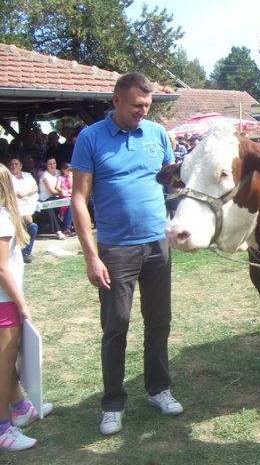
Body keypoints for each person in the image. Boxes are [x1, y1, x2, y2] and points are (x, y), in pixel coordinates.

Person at [71, 72, 183, 437]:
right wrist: (91, 256)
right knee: (116, 325)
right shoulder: (90, 138)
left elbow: (172, 182)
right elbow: (78, 199)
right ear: (116, 100)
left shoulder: (156, 134)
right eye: (137, 105)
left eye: (147, 106)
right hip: (115, 249)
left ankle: (158, 388)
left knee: (159, 321)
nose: (142, 112)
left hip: (156, 244)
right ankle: (113, 403)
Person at [0, 164, 53, 451]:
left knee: (6, 367)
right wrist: (22, 305)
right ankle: (2, 429)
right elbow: (1, 269)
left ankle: (20, 408)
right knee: (4, 367)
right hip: (4, 303)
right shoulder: (3, 220)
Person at [8, 157, 39, 263]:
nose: (13, 166)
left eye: (16, 164)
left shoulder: (27, 175)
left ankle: (26, 253)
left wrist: (27, 193)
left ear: (21, 166)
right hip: (16, 209)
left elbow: (35, 188)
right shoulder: (8, 178)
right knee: (31, 225)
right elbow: (12, 192)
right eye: (11, 164)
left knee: (32, 226)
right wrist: (20, 194)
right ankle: (21, 252)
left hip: (30, 205)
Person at [38, 157, 66, 240]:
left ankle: (67, 228)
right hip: (46, 198)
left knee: (70, 203)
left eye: (54, 163)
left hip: (58, 197)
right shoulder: (44, 175)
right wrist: (63, 192)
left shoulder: (58, 172)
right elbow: (52, 191)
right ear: (46, 165)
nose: (52, 165)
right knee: (50, 208)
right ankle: (58, 231)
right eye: (50, 164)